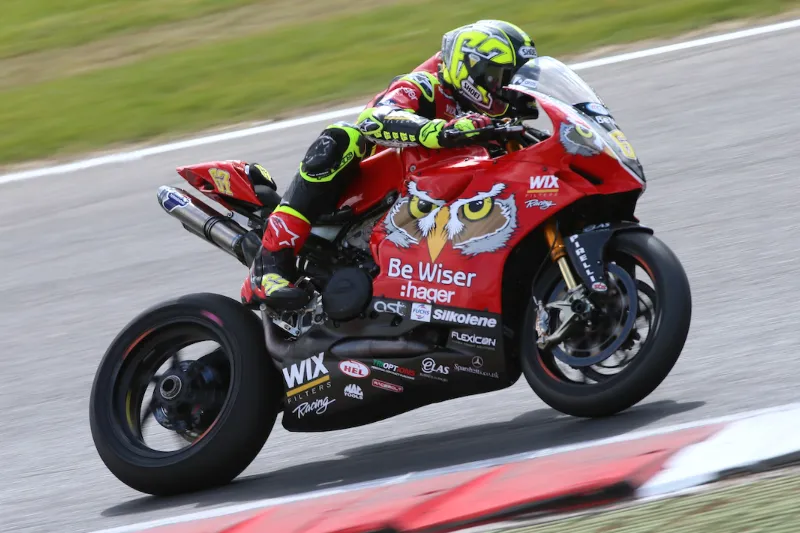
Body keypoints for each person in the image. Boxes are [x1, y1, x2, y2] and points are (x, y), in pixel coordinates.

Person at [241, 19, 538, 311]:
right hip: (370, 197)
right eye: (502, 78)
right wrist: (437, 131)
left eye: (516, 82)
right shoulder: (426, 85)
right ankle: (270, 263)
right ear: (472, 71)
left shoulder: (500, 122)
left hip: (435, 223)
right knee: (342, 137)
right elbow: (373, 119)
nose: (510, 90)